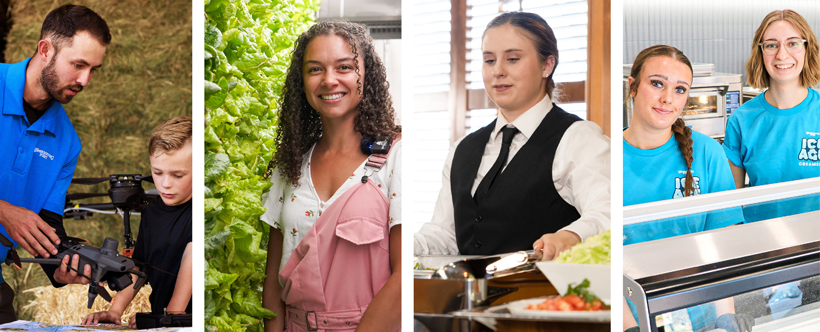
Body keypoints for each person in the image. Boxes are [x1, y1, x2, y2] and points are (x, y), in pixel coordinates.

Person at [414, 11, 610, 259]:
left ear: (547, 65)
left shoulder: (579, 139)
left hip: (545, 295)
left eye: (513, 59)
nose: (498, 71)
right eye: (489, 61)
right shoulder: (462, 148)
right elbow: (446, 234)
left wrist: (571, 236)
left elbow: (606, 210)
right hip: (468, 295)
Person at [260, 22, 401, 332]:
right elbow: (273, 280)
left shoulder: (397, 158)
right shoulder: (290, 165)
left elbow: (402, 278)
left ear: (367, 75)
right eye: (315, 70)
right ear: (302, 81)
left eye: (344, 67)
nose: (329, 80)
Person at [0, 5, 110, 324]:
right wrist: (2, 211)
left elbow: (47, 223)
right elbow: (10, 216)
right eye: (78, 65)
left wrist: (61, 268)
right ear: (45, 49)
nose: (85, 80)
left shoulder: (67, 142)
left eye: (93, 70)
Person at [622, 45, 748, 332]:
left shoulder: (707, 153)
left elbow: (722, 246)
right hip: (632, 317)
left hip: (702, 317)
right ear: (633, 87)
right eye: (657, 84)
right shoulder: (606, 158)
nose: (668, 98)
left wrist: (725, 319)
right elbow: (603, 259)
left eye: (680, 89)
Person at [82, 116, 192, 327]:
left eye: (178, 175)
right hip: (163, 321)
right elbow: (140, 268)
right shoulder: (151, 212)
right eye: (157, 173)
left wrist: (172, 314)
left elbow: (192, 255)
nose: (165, 184)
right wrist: (115, 310)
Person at [723, 9, 820, 222]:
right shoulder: (742, 120)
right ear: (761, 52)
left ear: (807, 48)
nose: (782, 55)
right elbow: (731, 203)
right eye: (772, 45)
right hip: (763, 245)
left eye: (793, 43)